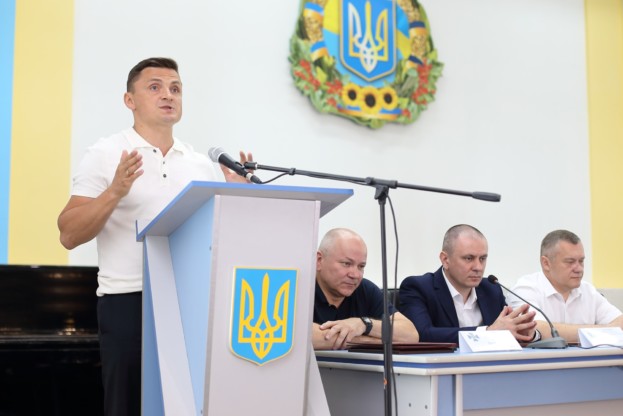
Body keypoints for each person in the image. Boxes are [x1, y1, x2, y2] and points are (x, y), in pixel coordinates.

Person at [57, 57, 251, 416]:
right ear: (129, 100)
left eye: (175, 88)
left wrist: (237, 196)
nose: (168, 95)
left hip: (189, 302)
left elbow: (216, 237)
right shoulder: (106, 153)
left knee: (188, 404)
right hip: (128, 300)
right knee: (127, 405)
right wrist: (115, 191)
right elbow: (68, 233)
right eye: (155, 87)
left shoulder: (199, 164)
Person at [399, 224, 538, 344]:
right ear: (445, 259)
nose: (478, 267)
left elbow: (504, 331)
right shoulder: (418, 287)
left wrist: (524, 333)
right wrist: (487, 332)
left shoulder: (491, 289)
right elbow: (422, 334)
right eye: (469, 258)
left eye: (482, 258)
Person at [508, 229, 623, 343]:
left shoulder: (588, 291)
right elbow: (537, 330)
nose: (579, 269)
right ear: (546, 263)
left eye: (581, 261)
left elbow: (621, 324)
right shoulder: (524, 289)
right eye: (570, 262)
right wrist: (608, 330)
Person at [313, 228, 419, 350]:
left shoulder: (365, 289)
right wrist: (369, 340)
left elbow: (411, 335)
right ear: (319, 260)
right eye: (346, 264)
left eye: (361, 266)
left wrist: (364, 324)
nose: (355, 275)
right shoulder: (300, 287)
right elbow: (304, 337)